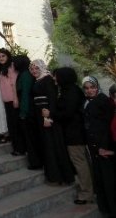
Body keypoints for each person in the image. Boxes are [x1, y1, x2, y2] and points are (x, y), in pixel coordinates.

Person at [46, 67, 93, 204]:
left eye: (57, 76)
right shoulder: (70, 90)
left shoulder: (71, 92)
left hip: (74, 133)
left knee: (80, 163)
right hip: (74, 132)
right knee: (82, 162)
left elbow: (68, 113)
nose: (55, 79)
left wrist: (51, 114)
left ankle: (86, 193)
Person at [30, 59, 74, 184]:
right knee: (47, 145)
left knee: (52, 144)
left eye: (37, 68)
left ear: (42, 68)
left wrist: (48, 118)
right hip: (40, 115)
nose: (34, 71)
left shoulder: (48, 80)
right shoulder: (38, 80)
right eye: (32, 69)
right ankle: (53, 175)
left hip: (47, 116)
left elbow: (52, 99)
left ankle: (60, 176)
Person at [81, 76, 115, 216]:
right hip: (93, 145)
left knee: (108, 180)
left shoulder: (103, 101)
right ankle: (105, 208)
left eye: (92, 87)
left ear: (97, 87)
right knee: (100, 178)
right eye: (87, 88)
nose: (90, 90)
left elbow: (107, 126)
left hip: (103, 146)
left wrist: (103, 146)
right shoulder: (86, 101)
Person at [0, 48, 20, 149]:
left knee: (16, 125)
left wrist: (16, 99)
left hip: (13, 100)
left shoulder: (11, 66)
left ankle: (19, 148)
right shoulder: (1, 69)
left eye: (3, 56)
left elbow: (14, 84)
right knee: (11, 125)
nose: (1, 58)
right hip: (6, 100)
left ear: (8, 56)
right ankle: (16, 147)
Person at [13, 55, 33, 161]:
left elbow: (25, 94)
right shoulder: (23, 74)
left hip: (26, 110)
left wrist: (23, 112)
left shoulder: (25, 75)